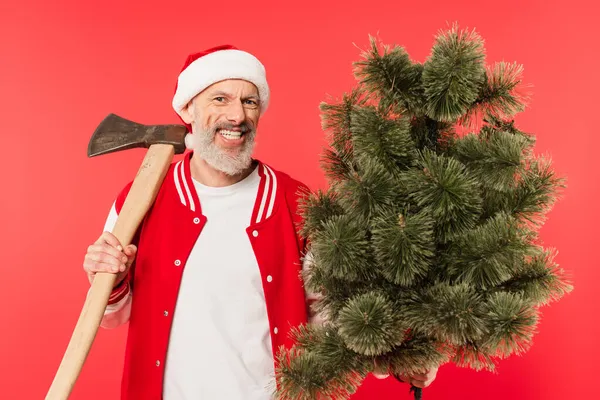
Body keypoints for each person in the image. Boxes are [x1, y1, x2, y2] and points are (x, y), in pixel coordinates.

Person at [82, 44, 438, 400]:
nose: (237, 115)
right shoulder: (139, 200)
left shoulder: (296, 203)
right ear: (188, 108)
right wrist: (110, 278)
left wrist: (396, 354)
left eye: (249, 101)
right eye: (220, 99)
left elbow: (333, 313)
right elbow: (112, 315)